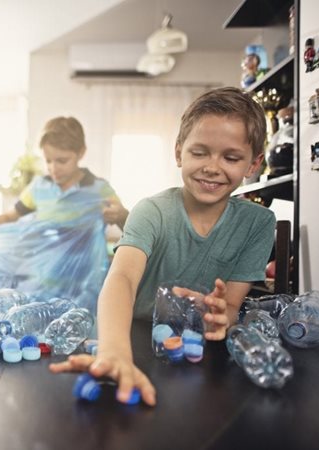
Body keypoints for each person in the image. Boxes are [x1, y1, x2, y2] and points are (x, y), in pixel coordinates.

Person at [50, 87, 276, 407]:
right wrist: (114, 351)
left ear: (254, 164)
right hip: (133, 335)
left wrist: (219, 317)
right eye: (199, 153)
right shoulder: (152, 211)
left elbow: (230, 309)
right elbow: (122, 279)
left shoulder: (259, 223)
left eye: (231, 157)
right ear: (178, 152)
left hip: (198, 352)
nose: (212, 167)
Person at [0, 116, 128, 243]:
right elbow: (9, 217)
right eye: (48, 161)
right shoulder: (39, 188)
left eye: (62, 161)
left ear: (81, 153)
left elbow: (132, 229)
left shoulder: (100, 189)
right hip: (44, 278)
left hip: (87, 280)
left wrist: (122, 216)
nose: (53, 168)